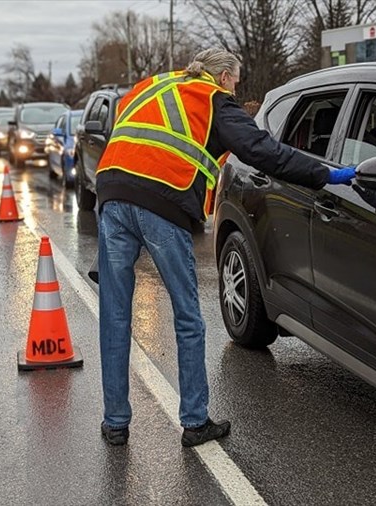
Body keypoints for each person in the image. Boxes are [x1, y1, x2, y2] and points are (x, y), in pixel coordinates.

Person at [95, 48, 355, 447]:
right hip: (163, 201)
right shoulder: (212, 99)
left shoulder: (153, 85)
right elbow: (264, 152)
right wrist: (325, 174)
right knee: (187, 317)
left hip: (111, 194)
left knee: (115, 315)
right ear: (223, 77)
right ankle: (195, 422)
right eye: (236, 80)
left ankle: (115, 423)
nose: (236, 88)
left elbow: (130, 134)